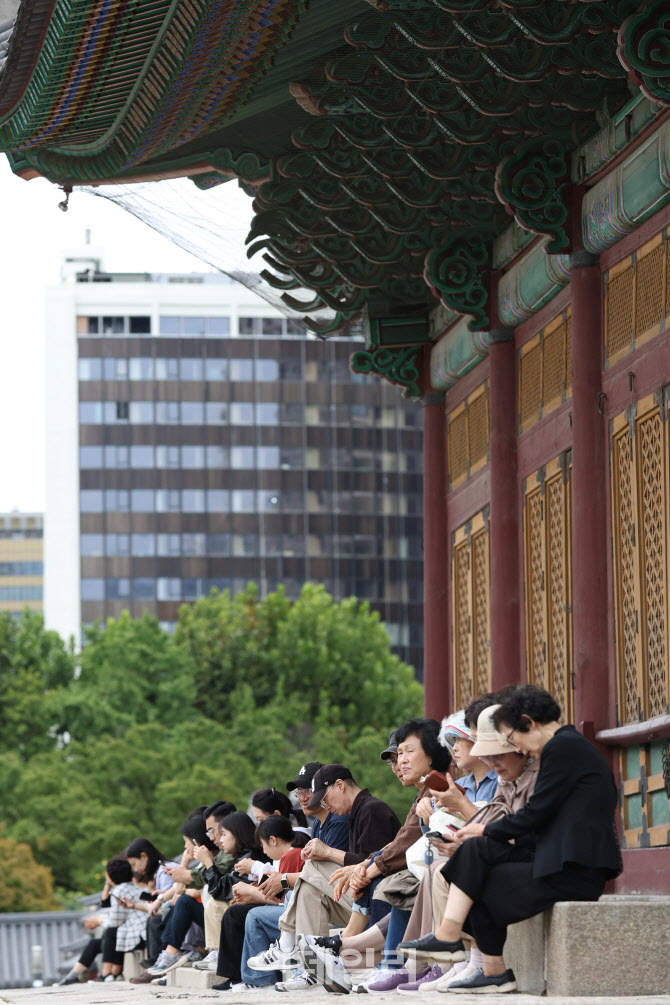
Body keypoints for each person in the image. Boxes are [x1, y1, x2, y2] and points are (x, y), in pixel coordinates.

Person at [399, 685, 622, 994]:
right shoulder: (562, 748)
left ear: (528, 722)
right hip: (556, 860)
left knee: (478, 867)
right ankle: (488, 968)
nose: (516, 746)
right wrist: (477, 836)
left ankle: (456, 942)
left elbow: (535, 813)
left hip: (576, 868)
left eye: (512, 737)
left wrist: (484, 830)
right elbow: (534, 820)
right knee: (474, 865)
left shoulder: (564, 747)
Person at [248, 763, 400, 987]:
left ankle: (287, 945)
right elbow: (366, 863)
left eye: (324, 797)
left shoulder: (371, 809)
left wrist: (327, 852)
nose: (325, 804)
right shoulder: (354, 813)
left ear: (340, 785)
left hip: (380, 905)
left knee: (312, 866)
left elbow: (376, 866)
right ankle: (313, 970)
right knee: (309, 890)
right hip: (360, 901)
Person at [213, 815, 307, 992]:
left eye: (263, 845)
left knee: (255, 916)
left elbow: (283, 900)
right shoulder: (292, 854)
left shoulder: (291, 856)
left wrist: (251, 891)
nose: (263, 851)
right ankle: (258, 977)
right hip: (297, 911)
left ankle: (260, 979)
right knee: (252, 913)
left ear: (273, 840)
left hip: (299, 913)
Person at [55, 857, 137, 985]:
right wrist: (108, 883)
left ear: (109, 875)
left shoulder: (120, 891)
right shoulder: (125, 888)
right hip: (125, 931)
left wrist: (98, 921)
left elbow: (113, 922)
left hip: (128, 932)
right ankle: (74, 975)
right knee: (95, 943)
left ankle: (107, 974)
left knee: (110, 931)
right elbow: (105, 903)